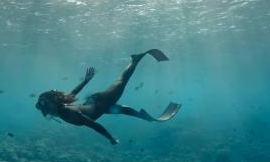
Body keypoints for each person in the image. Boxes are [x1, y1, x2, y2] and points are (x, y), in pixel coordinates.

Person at [35, 49, 181, 144]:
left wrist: (110, 138)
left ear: (54, 103)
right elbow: (72, 94)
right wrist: (85, 81)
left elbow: (94, 124)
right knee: (121, 109)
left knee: (121, 81)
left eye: (46, 106)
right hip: (96, 105)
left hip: (100, 102)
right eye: (44, 108)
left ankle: (135, 60)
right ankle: (141, 115)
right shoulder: (62, 107)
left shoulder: (68, 113)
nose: (45, 111)